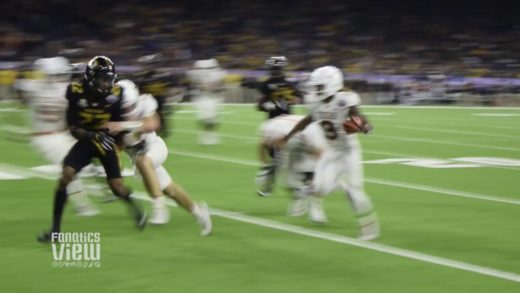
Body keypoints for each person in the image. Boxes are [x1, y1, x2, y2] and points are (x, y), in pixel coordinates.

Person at [37, 56, 147, 243]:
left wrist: (124, 142)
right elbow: (72, 127)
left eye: (109, 79)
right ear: (91, 77)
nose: (107, 84)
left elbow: (117, 124)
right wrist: (91, 136)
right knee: (65, 177)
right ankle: (55, 230)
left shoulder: (116, 93)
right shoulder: (75, 91)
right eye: (103, 79)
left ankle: (135, 208)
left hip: (106, 142)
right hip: (87, 139)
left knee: (117, 188)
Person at [274, 65, 379, 240]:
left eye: (319, 86)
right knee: (320, 188)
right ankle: (336, 185)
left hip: (349, 150)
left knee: (356, 191)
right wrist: (287, 138)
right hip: (331, 151)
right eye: (315, 86)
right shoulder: (316, 103)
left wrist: (365, 125)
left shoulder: (345, 99)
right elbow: (306, 121)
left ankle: (368, 224)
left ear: (332, 84)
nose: (316, 90)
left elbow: (358, 115)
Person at [110, 79, 212, 235]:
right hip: (139, 161)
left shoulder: (145, 102)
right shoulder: (112, 117)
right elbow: (117, 148)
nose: (127, 111)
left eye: (129, 106)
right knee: (171, 190)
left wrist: (125, 127)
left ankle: (159, 204)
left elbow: (152, 124)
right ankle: (199, 212)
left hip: (155, 148)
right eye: (123, 108)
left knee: (143, 160)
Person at [22, 57, 99, 216]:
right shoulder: (66, 90)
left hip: (49, 135)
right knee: (70, 169)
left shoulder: (34, 88)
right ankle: (82, 206)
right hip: (51, 138)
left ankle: (91, 194)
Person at [254, 56, 302, 194]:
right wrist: (268, 105)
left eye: (277, 68)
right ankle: (269, 179)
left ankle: (273, 184)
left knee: (286, 158)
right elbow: (259, 105)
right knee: (276, 158)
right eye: (274, 68)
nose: (275, 71)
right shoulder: (266, 83)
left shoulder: (289, 82)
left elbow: (298, 97)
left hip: (287, 122)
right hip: (273, 123)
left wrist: (293, 100)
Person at [257, 114, 319, 216]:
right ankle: (302, 195)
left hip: (304, 137)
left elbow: (318, 151)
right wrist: (264, 165)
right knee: (288, 182)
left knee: (304, 176)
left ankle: (309, 196)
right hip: (290, 134)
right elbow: (262, 144)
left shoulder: (307, 135)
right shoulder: (269, 130)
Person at [185, 59, 226, 145]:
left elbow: (220, 85)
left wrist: (215, 87)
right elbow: (192, 80)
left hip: (212, 98)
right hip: (202, 97)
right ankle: (205, 135)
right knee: (202, 119)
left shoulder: (217, 74)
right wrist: (201, 86)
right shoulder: (196, 74)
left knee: (212, 118)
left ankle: (212, 135)